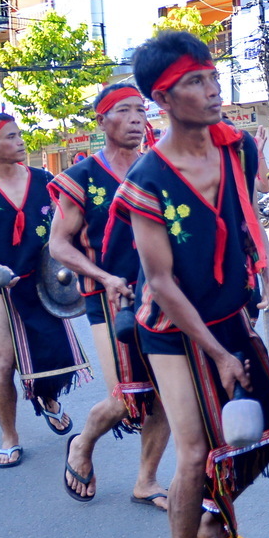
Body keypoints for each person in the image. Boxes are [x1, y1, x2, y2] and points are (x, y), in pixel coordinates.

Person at [119, 31, 269, 538]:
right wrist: (219, 355)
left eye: (213, 77)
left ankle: (210, 521)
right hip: (170, 328)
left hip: (233, 311)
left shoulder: (239, 149)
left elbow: (249, 221)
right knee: (195, 451)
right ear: (163, 100)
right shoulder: (147, 178)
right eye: (195, 82)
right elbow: (162, 284)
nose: (214, 90)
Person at [48, 84, 171, 507]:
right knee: (126, 395)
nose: (137, 117)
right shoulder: (81, 176)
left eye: (141, 109)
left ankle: (146, 480)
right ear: (102, 121)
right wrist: (102, 275)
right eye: (125, 110)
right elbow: (59, 245)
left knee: (167, 391)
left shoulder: (157, 167)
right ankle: (82, 442)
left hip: (160, 295)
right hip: (108, 296)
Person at [0, 114, 90, 466]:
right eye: (11, 137)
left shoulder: (47, 181)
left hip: (45, 282)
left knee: (50, 358)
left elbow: (68, 230)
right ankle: (9, 437)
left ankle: (49, 399)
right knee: (1, 364)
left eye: (19, 135)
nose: (20, 141)